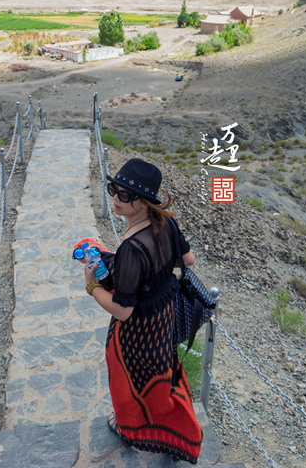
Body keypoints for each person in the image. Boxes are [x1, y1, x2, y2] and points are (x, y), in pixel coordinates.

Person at [79, 158, 201, 463]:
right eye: (113, 190)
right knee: (160, 369)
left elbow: (122, 312)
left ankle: (129, 428)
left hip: (136, 331)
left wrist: (91, 285)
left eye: (125, 195)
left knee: (129, 380)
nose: (115, 199)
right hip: (163, 317)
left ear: (144, 202)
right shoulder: (166, 224)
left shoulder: (133, 247)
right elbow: (188, 260)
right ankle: (172, 425)